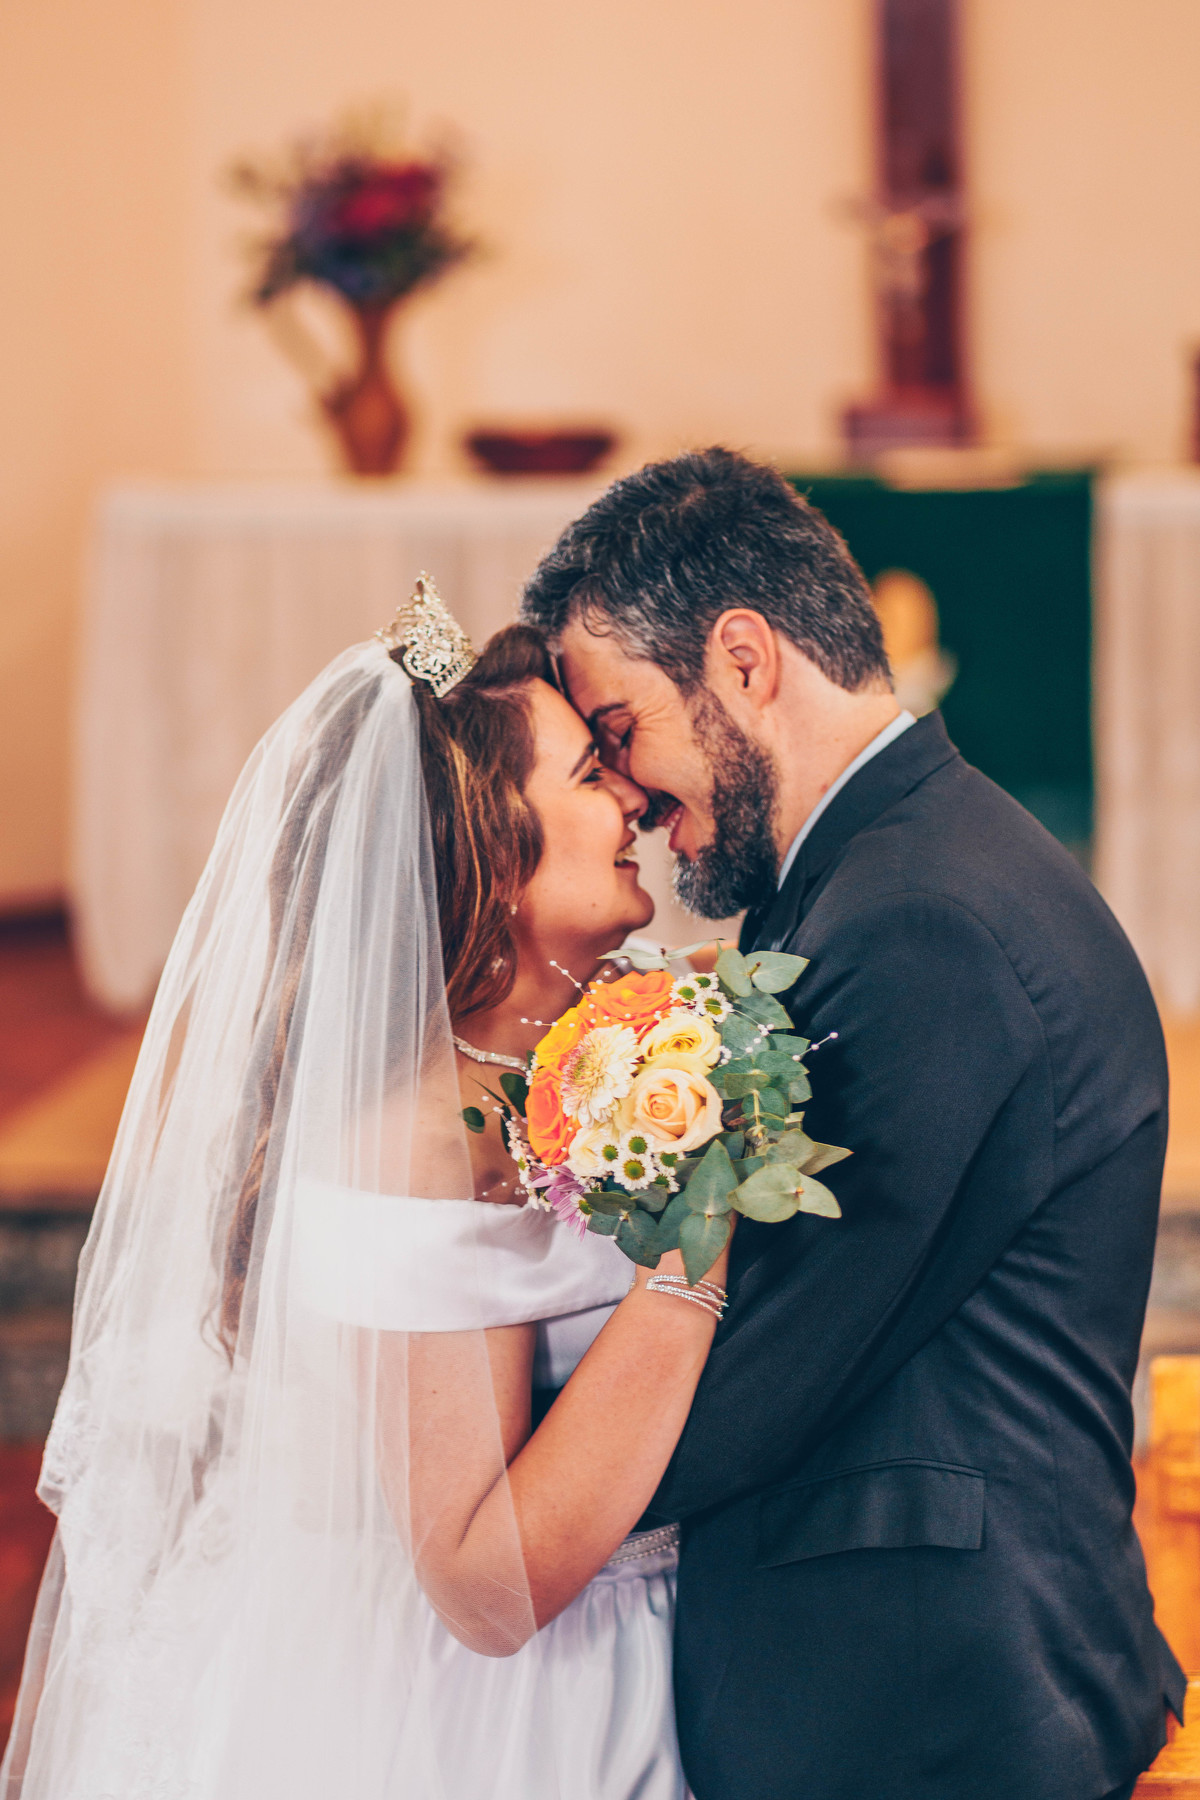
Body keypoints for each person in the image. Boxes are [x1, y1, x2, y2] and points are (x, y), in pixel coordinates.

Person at [522, 446, 1185, 1800]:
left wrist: (472, 1445)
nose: (631, 793)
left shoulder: (918, 924)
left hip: (931, 1706)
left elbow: (754, 1373)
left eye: (622, 730)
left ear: (746, 661)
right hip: (929, 1674)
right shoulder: (885, 874)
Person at [2, 588, 724, 1798]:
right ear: (492, 852)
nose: (637, 801)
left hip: (675, 1641)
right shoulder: (415, 1143)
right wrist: (703, 1245)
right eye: (591, 778)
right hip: (512, 1715)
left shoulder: (615, 1029)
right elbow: (484, 1585)